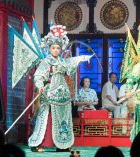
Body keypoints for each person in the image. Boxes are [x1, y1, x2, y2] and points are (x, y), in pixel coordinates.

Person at [28, 24, 93, 152]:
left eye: (58, 48)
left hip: (63, 94)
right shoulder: (46, 62)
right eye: (53, 48)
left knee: (63, 118)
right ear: (49, 48)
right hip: (49, 93)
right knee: (45, 117)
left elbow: (72, 63)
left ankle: (62, 143)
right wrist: (40, 85)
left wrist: (84, 58)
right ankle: (38, 143)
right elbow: (39, 76)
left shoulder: (63, 61)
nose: (56, 50)